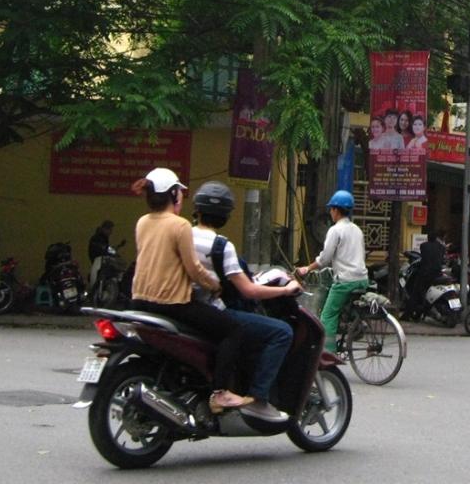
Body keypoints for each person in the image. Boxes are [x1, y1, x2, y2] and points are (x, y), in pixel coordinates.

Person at [129, 167, 248, 414]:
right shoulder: (180, 225)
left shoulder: (142, 222)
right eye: (179, 192)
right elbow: (193, 268)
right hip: (172, 303)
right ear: (173, 195)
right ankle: (220, 393)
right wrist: (214, 285)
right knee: (233, 330)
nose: (181, 197)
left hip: (139, 300)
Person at [192, 182, 301, 424]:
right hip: (211, 311)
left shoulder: (182, 235)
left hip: (185, 307)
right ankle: (258, 400)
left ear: (196, 210)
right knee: (282, 332)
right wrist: (285, 290)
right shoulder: (221, 246)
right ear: (225, 215)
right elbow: (249, 290)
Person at [296, 190, 369, 352]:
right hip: (362, 279)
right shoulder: (357, 229)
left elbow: (325, 259)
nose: (330, 212)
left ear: (336, 210)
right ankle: (351, 323)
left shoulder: (335, 230)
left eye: (331, 209)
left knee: (328, 315)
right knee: (339, 306)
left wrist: (307, 268)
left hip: (346, 281)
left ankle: (327, 353)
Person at [405, 229, 446, 319]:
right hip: (437, 274)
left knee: (415, 293)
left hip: (425, 273)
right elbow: (441, 259)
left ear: (428, 238)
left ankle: (408, 314)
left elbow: (424, 258)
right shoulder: (441, 247)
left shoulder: (424, 245)